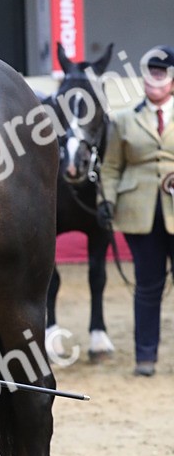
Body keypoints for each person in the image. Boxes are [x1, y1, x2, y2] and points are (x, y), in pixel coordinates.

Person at [99, 46, 174, 376]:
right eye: (150, 73)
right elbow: (111, 167)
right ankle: (145, 357)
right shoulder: (124, 119)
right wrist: (106, 201)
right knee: (147, 285)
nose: (154, 79)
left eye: (161, 73)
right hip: (139, 213)